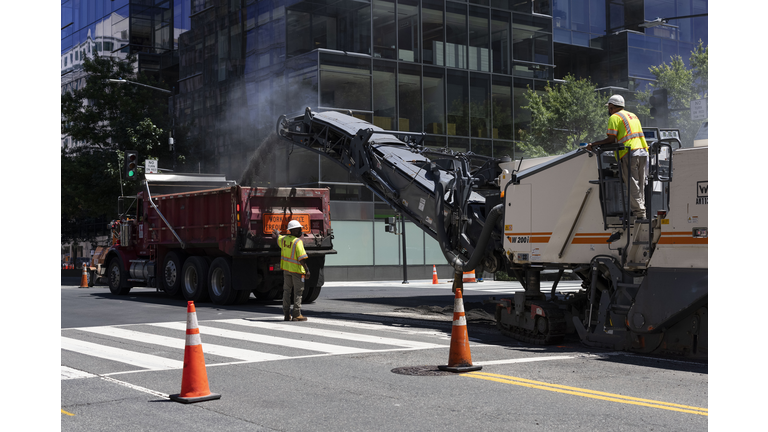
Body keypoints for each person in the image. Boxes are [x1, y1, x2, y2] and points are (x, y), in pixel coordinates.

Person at [586, 95, 650, 221]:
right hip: (643, 151)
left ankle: (640, 214)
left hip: (629, 153)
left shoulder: (614, 117)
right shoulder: (633, 115)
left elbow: (611, 139)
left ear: (611, 107)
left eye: (609, 108)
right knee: (640, 184)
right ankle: (642, 211)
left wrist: (593, 144)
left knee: (632, 185)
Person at [272, 220, 311, 321]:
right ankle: (296, 314)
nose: (300, 231)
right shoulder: (298, 242)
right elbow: (302, 258)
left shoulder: (284, 239)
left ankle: (286, 314)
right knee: (298, 292)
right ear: (293, 230)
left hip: (287, 270)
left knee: (286, 291)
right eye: (299, 229)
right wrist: (307, 270)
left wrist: (277, 233)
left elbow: (278, 238)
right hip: (297, 271)